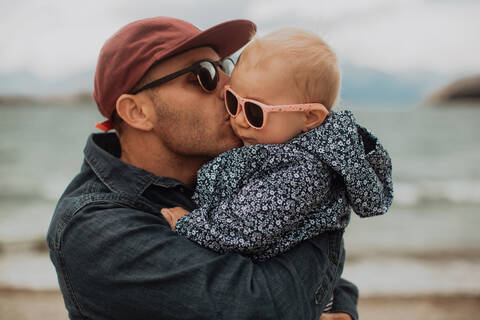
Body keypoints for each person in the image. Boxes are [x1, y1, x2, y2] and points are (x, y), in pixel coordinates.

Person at [47, 17, 359, 320]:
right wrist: (326, 187)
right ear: (137, 112)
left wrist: (341, 303)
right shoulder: (94, 228)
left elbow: (284, 246)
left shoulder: (220, 174)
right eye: (204, 75)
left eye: (226, 66)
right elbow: (265, 306)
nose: (230, 88)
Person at [161, 29, 393, 314]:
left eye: (255, 112)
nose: (238, 120)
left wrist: (188, 224)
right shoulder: (272, 144)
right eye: (233, 102)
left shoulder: (304, 171)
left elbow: (246, 228)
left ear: (310, 117)